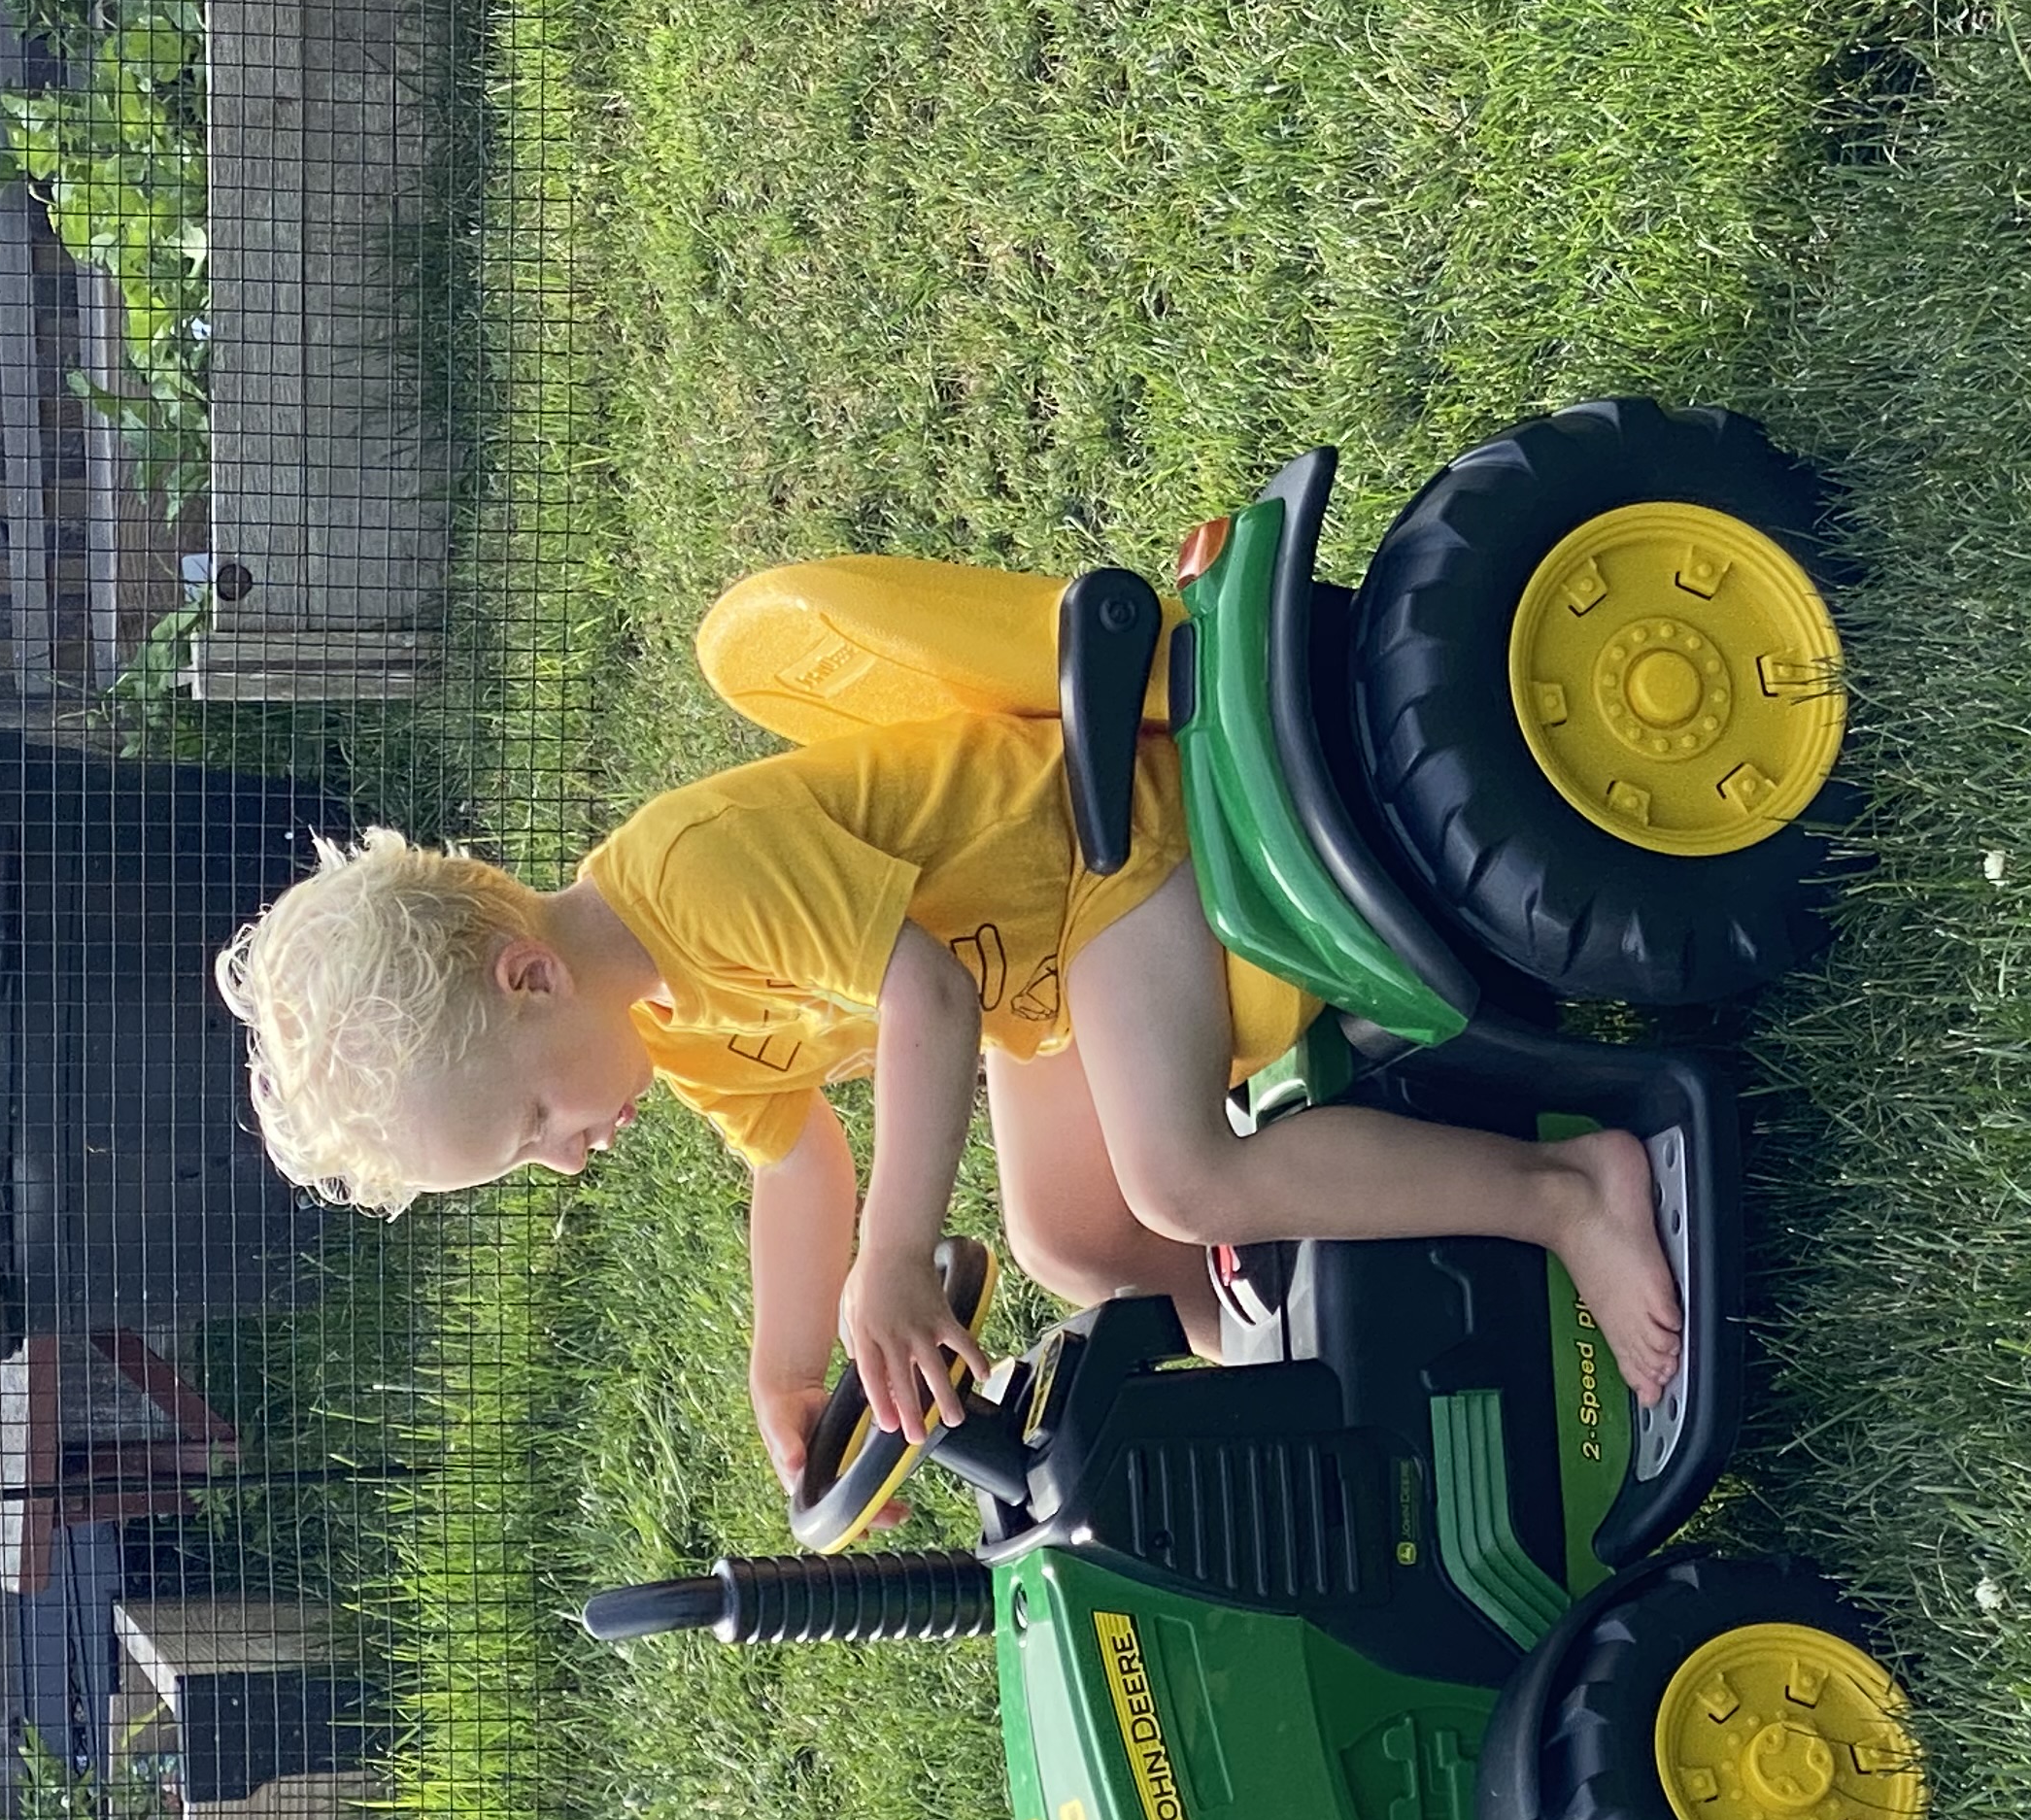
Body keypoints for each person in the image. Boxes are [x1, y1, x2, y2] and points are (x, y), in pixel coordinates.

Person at [214, 554, 1681, 1497]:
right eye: (525, 1156)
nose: (562, 1157)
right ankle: (1283, 1379)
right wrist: (788, 1368)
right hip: (1041, 964)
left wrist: (897, 1260)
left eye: (530, 1122)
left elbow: (929, 1000)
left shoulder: (689, 883)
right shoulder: (673, 1027)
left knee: (1175, 1170)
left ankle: (1566, 1194)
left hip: (1096, 852)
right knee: (1072, 1239)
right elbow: (797, 1166)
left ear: (530, 978)